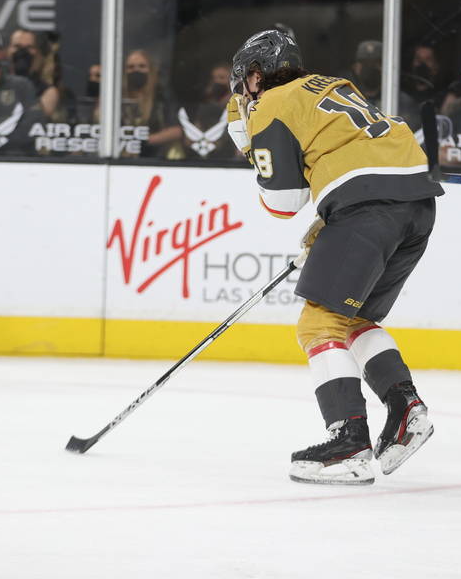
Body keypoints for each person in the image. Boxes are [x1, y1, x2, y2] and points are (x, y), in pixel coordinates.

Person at [226, 29, 442, 485]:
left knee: (318, 325)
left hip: (368, 210)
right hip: (417, 202)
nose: (245, 94)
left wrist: (249, 145)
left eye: (245, 84)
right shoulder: (331, 84)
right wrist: (331, 214)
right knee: (354, 317)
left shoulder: (270, 104)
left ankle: (349, 442)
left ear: (256, 76)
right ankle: (407, 410)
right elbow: (351, 156)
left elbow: (283, 202)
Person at [121, 48, 181, 158]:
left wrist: (144, 140)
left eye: (142, 66)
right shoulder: (117, 98)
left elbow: (176, 130)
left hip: (156, 158)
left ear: (151, 69)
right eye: (131, 67)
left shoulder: (162, 97)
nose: (136, 70)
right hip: (121, 158)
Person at [349, 39, 421, 132]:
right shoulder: (348, 100)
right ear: (356, 67)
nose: (370, 69)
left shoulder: (403, 102)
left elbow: (410, 135)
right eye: (365, 63)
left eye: (376, 63)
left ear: (387, 67)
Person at [177, 63, 238, 160]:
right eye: (213, 78)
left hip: (230, 159)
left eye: (221, 78)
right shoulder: (204, 108)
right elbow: (189, 141)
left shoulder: (241, 106)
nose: (216, 82)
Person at [8, 27, 61, 119]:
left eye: (29, 48)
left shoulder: (47, 91)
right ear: (8, 50)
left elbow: (36, 119)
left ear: (37, 52)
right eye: (17, 47)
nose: (22, 52)